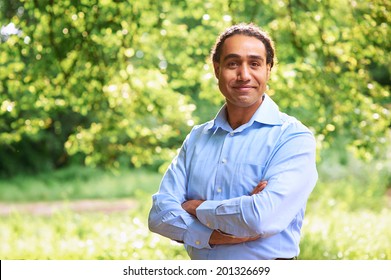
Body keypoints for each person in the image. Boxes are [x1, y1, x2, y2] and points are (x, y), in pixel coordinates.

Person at [148, 23, 318, 260]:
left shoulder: (292, 138)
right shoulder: (197, 138)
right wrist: (215, 234)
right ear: (217, 69)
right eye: (233, 63)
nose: (244, 75)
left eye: (255, 64)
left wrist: (195, 208)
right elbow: (159, 215)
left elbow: (261, 218)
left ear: (268, 70)